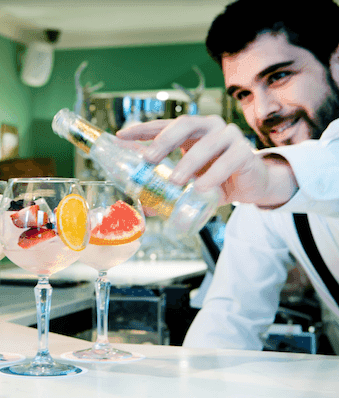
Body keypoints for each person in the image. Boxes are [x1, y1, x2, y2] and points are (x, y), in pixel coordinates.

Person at [116, 0, 339, 353]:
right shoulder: (261, 200)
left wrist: (271, 179)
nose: (263, 110)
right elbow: (230, 318)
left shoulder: (270, 179)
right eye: (243, 94)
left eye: (278, 76)